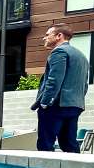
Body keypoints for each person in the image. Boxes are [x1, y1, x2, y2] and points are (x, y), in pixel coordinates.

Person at [31, 24, 90, 153]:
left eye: (47, 35)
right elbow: (84, 85)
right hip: (74, 106)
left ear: (59, 36)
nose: (44, 38)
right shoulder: (81, 56)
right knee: (69, 145)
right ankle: (76, 167)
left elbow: (54, 80)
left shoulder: (59, 52)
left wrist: (45, 103)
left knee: (45, 144)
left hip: (56, 105)